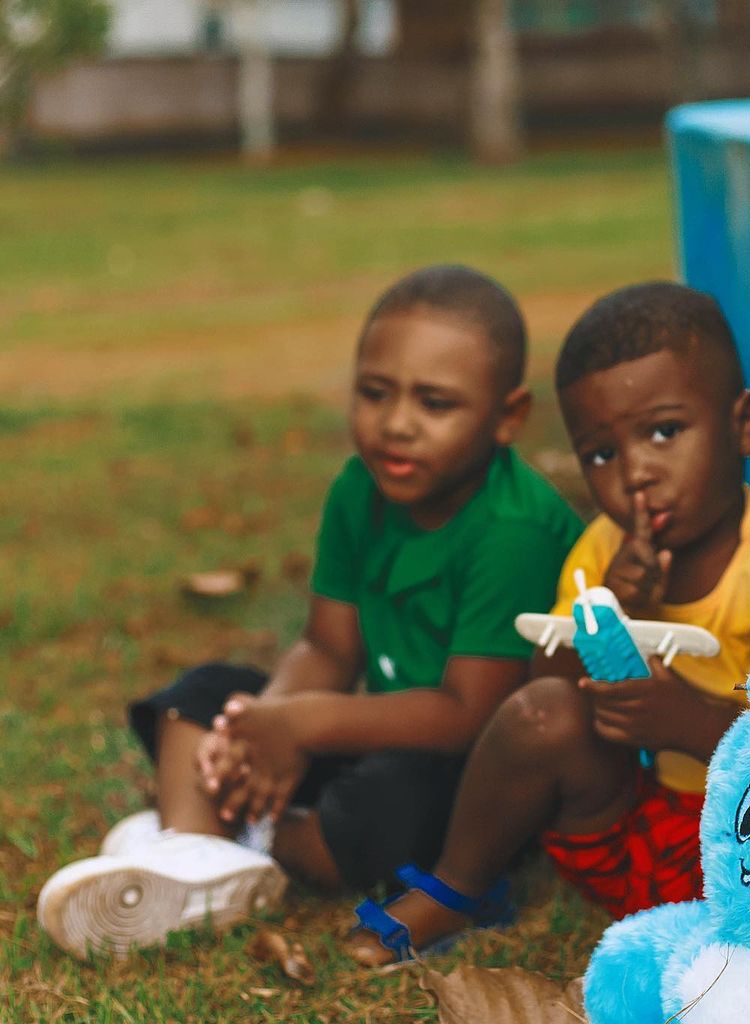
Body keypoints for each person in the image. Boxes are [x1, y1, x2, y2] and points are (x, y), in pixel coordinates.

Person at [37, 264, 583, 960]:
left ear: (508, 417)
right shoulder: (360, 489)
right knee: (200, 697)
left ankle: (230, 843)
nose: (396, 425)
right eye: (374, 393)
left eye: (435, 403)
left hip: (479, 777)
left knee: (387, 802)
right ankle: (191, 853)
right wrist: (259, 727)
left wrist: (299, 724)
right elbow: (329, 649)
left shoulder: (514, 528)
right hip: (380, 727)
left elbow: (463, 715)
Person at [346, 281, 750, 966]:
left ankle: (722, 958)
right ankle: (457, 889)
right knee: (541, 714)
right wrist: (618, 611)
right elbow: (542, 687)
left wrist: (688, 721)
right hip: (628, 830)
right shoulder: (601, 550)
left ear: (743, 426)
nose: (637, 474)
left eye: (665, 432)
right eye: (603, 454)